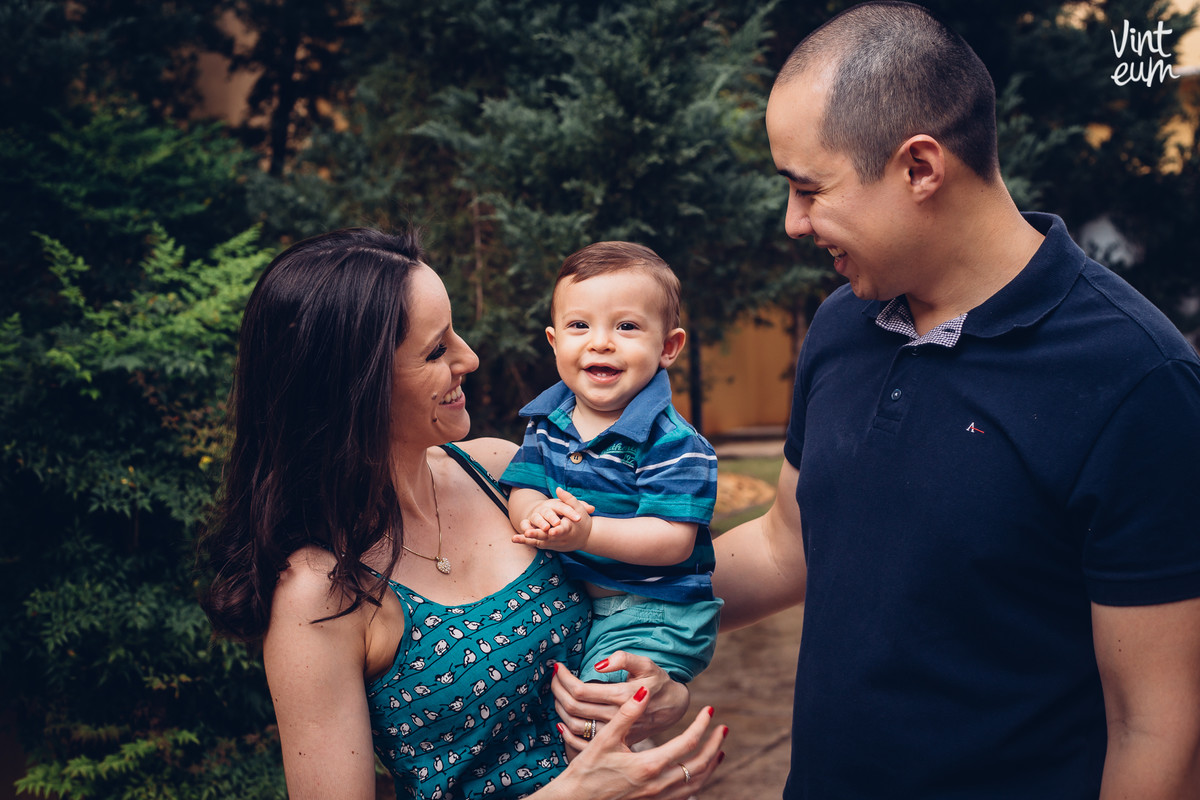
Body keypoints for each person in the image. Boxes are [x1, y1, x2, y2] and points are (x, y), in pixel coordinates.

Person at [708, 2, 1200, 798]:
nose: (793, 223)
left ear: (919, 168)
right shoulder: (842, 323)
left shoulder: (1138, 379)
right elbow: (785, 545)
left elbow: (1158, 729)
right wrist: (608, 595)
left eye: (807, 188)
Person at [196, 227, 726, 800]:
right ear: (353, 386)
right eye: (436, 350)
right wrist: (577, 794)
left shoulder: (499, 472)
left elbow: (661, 585)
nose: (470, 357)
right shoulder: (319, 591)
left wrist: (661, 691)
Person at [500, 242, 722, 687]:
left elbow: (673, 540)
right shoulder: (545, 422)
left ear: (668, 346)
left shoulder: (673, 442)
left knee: (602, 704)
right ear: (554, 342)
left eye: (626, 326)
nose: (600, 342)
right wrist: (535, 513)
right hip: (581, 605)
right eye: (579, 325)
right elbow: (524, 486)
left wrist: (587, 534)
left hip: (654, 612)